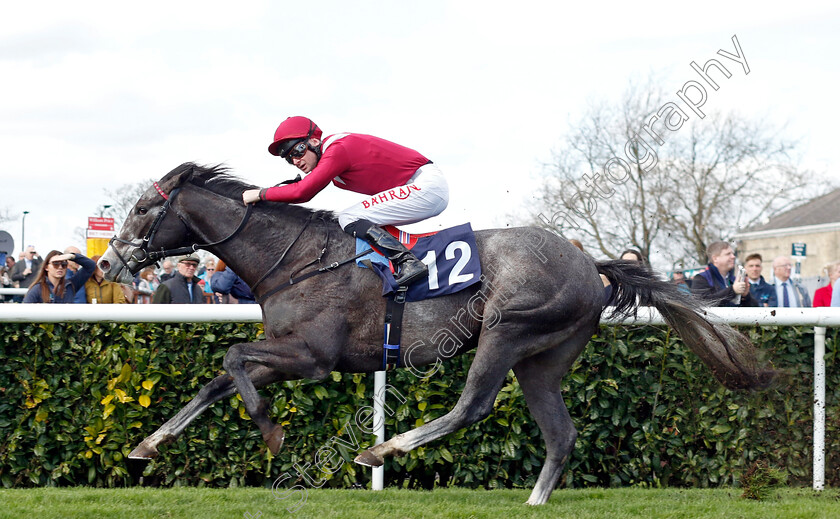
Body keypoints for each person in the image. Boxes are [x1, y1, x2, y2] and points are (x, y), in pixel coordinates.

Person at [241, 116, 449, 286]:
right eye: (289, 158)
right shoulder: (335, 171)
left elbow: (302, 192)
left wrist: (260, 193)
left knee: (349, 216)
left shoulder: (338, 148)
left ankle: (408, 262)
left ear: (314, 141)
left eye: (298, 150)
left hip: (426, 185)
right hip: (420, 187)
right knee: (359, 219)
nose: (296, 161)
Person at [691, 241, 756, 307]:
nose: (733, 256)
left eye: (733, 254)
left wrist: (745, 296)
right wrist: (732, 290)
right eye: (728, 254)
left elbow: (754, 308)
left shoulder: (734, 280)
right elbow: (701, 303)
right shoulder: (701, 278)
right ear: (715, 258)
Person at [23, 250, 96, 303]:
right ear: (46, 267)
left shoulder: (71, 285)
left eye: (64, 264)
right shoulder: (37, 289)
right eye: (55, 264)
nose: (60, 267)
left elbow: (91, 265)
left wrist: (72, 256)